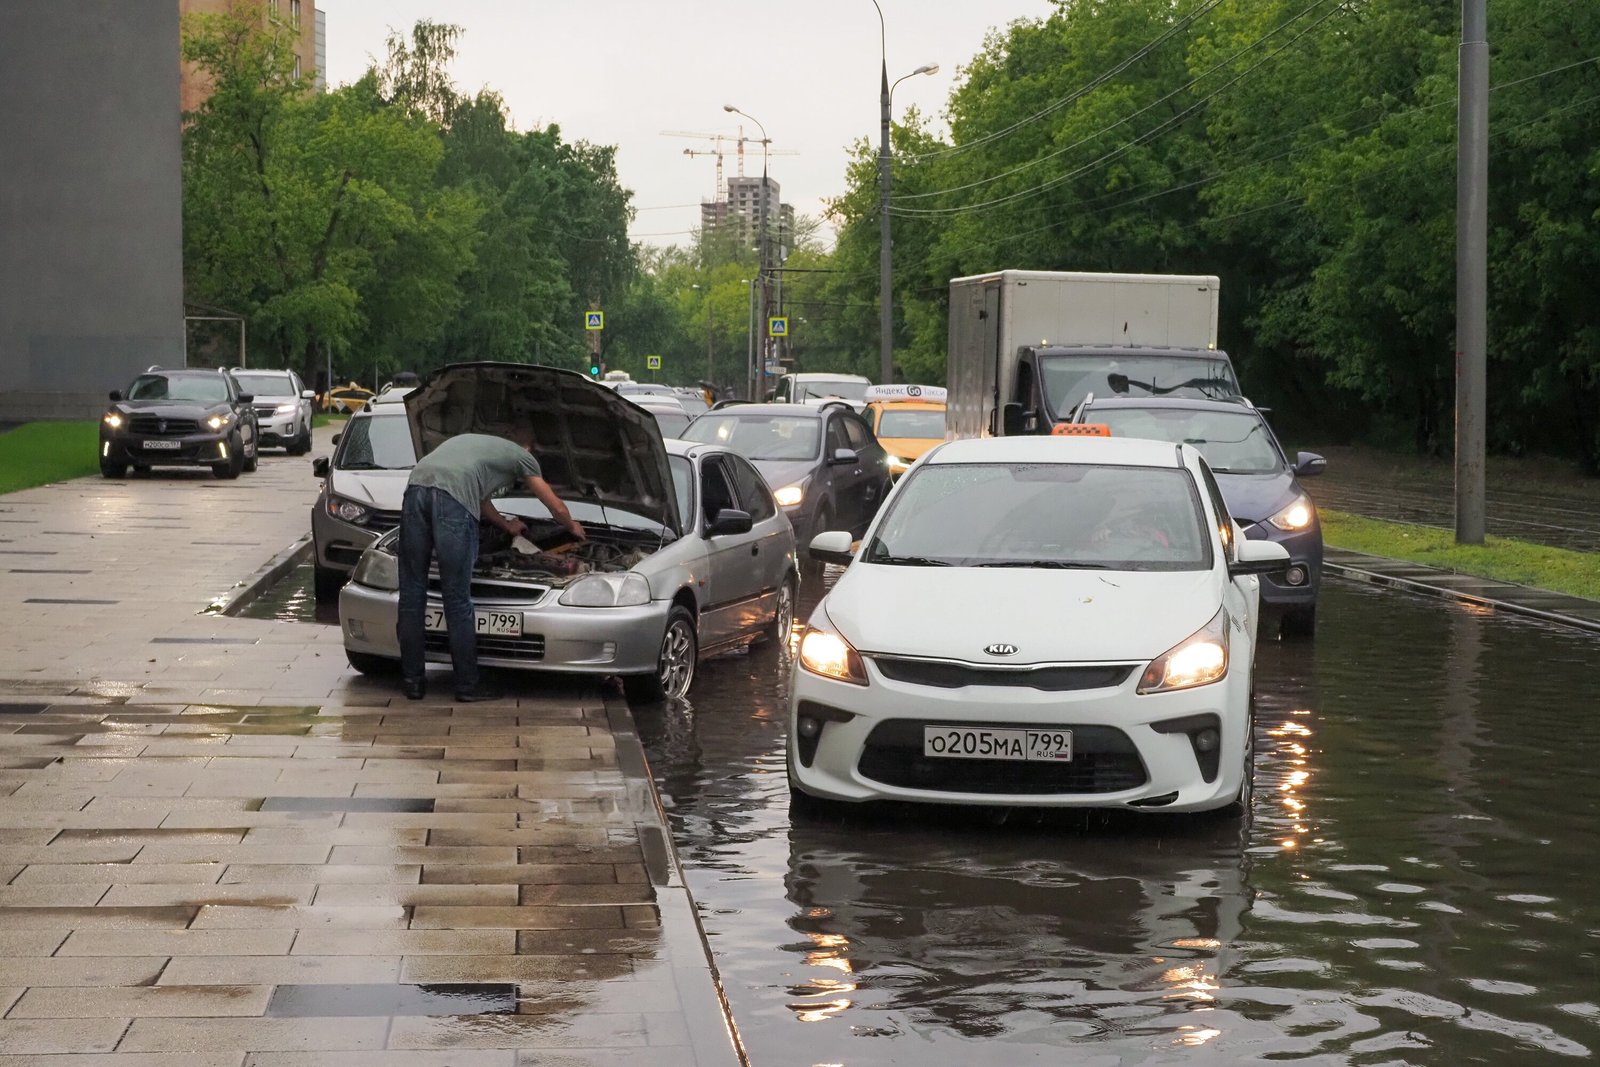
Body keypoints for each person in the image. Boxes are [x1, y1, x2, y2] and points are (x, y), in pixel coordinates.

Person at [396, 426, 584, 702]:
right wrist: (573, 527)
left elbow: (478, 498)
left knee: (412, 593)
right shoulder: (523, 456)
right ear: (528, 448)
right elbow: (554, 506)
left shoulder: (469, 443)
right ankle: (467, 686)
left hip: (415, 491)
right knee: (457, 598)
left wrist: (506, 525)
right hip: (451, 503)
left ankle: (413, 682)